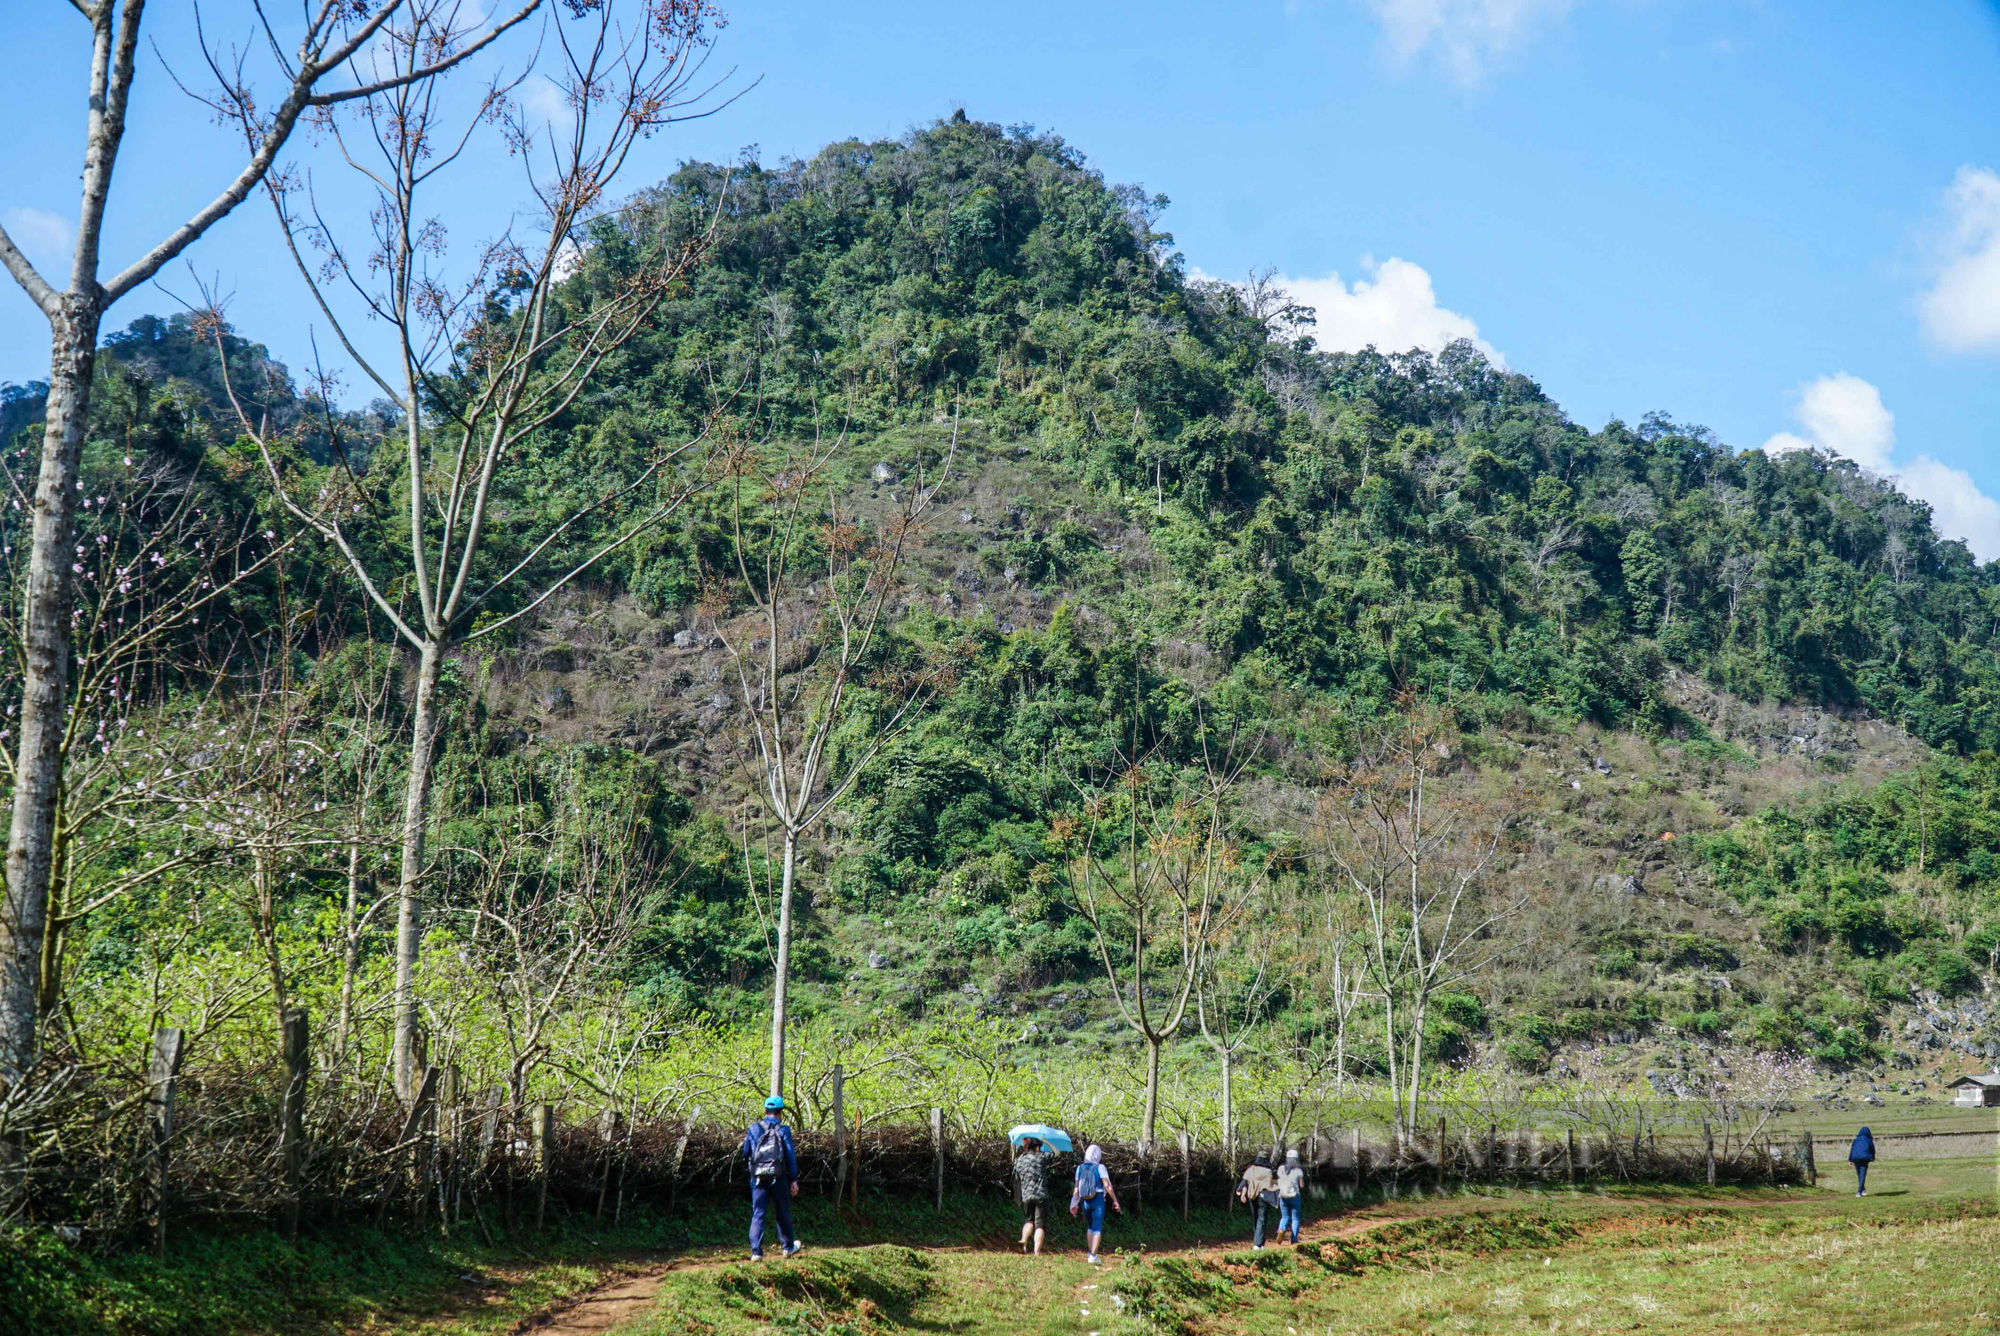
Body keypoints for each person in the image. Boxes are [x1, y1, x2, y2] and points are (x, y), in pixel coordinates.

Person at [741, 1095, 801, 1260]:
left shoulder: (753, 1128)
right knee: (782, 1211)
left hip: (758, 1177)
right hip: (778, 1177)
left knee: (758, 1212)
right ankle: (788, 1248)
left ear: (765, 1111)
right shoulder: (783, 1130)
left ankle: (756, 1252)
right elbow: (790, 1156)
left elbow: (745, 1153)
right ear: (780, 1112)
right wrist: (793, 1179)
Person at [1069, 1143, 1124, 1263]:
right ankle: (1093, 1255)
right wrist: (1115, 1200)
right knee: (1097, 1227)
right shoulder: (1100, 1168)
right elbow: (1107, 1185)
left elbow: (1076, 1188)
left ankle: (1090, 1253)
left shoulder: (1080, 1168)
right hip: (1098, 1199)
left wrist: (1074, 1203)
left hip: (1085, 1201)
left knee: (1089, 1227)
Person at [1013, 1135, 1057, 1254]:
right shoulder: (1041, 1157)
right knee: (1039, 1225)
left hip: (1026, 1196)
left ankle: (1023, 1240)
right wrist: (1046, 1140)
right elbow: (1057, 1153)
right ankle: (1036, 1252)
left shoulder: (1021, 1159)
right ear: (1038, 1147)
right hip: (1041, 1195)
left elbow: (1016, 1173)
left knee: (1029, 1220)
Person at [1235, 1152, 1279, 1249]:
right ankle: (1258, 1244)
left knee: (1256, 1218)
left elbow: (1245, 1183)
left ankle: (1259, 1243)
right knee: (1262, 1219)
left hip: (1252, 1196)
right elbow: (1275, 1184)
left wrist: (1243, 1194)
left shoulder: (1251, 1170)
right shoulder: (1269, 1171)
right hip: (1264, 1197)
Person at [1275, 1148, 1306, 1244]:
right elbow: (1301, 1185)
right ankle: (1293, 1239)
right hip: (1294, 1196)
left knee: (1284, 1217)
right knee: (1295, 1218)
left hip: (1283, 1196)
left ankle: (1281, 1229)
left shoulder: (1280, 1168)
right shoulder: (1298, 1170)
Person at [1848, 1125, 1875, 1197]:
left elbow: (1852, 1149)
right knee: (1862, 1175)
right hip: (1865, 1159)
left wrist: (1850, 1159)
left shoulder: (1856, 1140)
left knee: (1859, 1175)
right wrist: (1872, 1157)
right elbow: (1872, 1149)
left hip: (1856, 1158)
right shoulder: (1868, 1140)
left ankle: (1863, 1190)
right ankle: (1859, 1191)